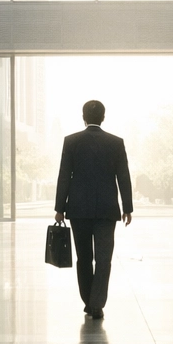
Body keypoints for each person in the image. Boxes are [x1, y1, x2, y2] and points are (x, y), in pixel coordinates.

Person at [54, 100, 133, 320]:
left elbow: (64, 176)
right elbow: (123, 176)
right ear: (104, 117)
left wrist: (60, 208)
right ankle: (97, 304)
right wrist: (127, 207)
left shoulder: (71, 142)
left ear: (83, 117)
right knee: (104, 258)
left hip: (78, 210)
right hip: (107, 211)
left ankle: (89, 301)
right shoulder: (116, 143)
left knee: (84, 259)